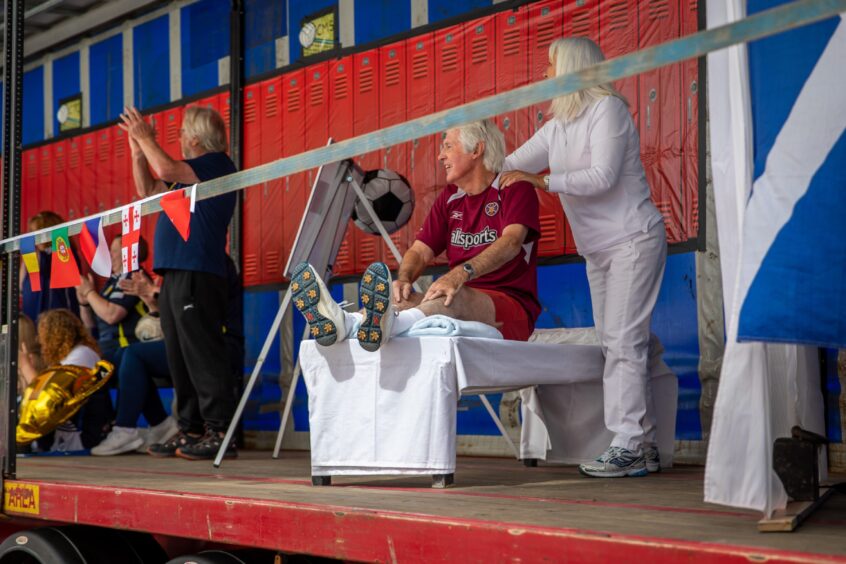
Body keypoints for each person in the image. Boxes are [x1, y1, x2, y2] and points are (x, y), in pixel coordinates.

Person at [500, 37, 667, 478]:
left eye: (551, 65)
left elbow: (603, 176)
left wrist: (540, 182)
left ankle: (628, 442)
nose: (544, 75)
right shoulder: (559, 125)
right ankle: (643, 442)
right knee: (614, 343)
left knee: (624, 343)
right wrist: (480, 165)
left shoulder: (607, 110)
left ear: (572, 67)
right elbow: (512, 162)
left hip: (633, 239)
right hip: (598, 251)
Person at [292, 119, 541, 351]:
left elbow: (511, 242)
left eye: (448, 146)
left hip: (510, 308)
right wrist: (404, 279)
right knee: (403, 299)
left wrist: (460, 273)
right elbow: (421, 251)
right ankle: (344, 322)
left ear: (476, 150)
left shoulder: (515, 188)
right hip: (456, 298)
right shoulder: (450, 198)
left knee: (451, 296)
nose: (440, 155)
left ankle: (380, 325)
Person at [120, 104, 238, 460]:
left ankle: (220, 430)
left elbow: (166, 167)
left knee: (202, 353)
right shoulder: (186, 175)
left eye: (184, 133)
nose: (180, 139)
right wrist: (137, 149)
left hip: (198, 270)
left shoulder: (216, 163)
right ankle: (190, 429)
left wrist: (147, 138)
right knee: (179, 356)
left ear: (198, 138)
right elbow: (148, 188)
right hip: (174, 270)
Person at [91, 255, 243, 457]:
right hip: (186, 341)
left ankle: (127, 428)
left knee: (134, 354)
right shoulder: (179, 265)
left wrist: (156, 293)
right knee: (125, 357)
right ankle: (159, 424)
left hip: (217, 343)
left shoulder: (211, 262)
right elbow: (170, 319)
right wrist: (151, 300)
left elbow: (196, 311)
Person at [19, 309, 111, 451]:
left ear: (56, 335)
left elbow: (46, 399)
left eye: (43, 334)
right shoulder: (64, 358)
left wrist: (25, 366)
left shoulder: (82, 355)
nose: (39, 340)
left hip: (82, 435)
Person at [76, 235, 150, 369]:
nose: (110, 255)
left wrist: (89, 292)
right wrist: (84, 303)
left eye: (114, 251)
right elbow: (89, 324)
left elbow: (112, 315)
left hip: (125, 350)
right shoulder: (111, 282)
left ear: (129, 252)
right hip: (107, 350)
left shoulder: (133, 275)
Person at [20, 211, 80, 323]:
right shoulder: (33, 256)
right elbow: (22, 287)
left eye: (36, 232)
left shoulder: (63, 252)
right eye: (31, 232)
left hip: (59, 320)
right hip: (33, 319)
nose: (32, 237)